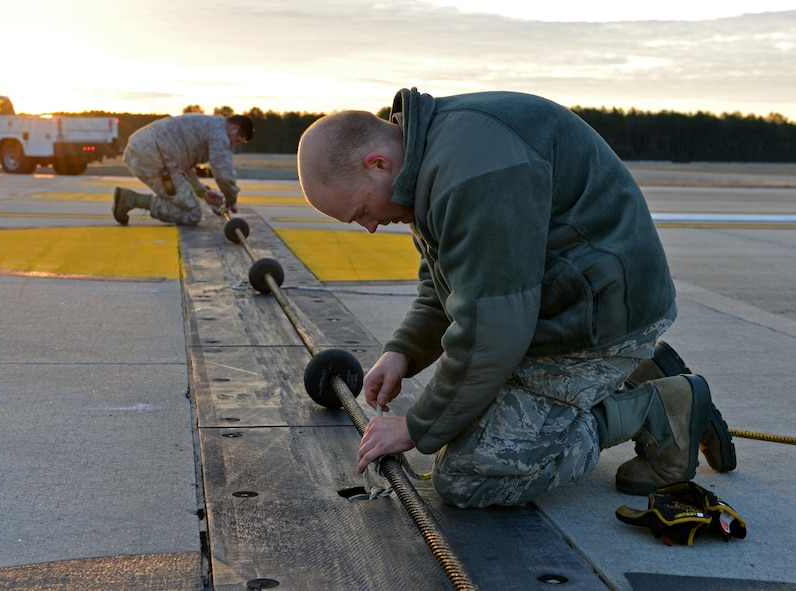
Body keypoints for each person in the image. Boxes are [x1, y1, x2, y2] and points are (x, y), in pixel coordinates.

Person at [296, 88, 737, 507]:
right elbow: (448, 286)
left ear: (376, 163)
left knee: (470, 474)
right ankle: (635, 370)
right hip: (569, 307)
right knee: (463, 417)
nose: (370, 227)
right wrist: (402, 352)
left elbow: (493, 332)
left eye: (360, 213)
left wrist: (416, 426)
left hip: (597, 323)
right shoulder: (430, 158)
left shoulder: (471, 173)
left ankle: (656, 406)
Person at [113, 113, 254, 226]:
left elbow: (184, 166)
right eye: (236, 141)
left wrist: (202, 191)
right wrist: (230, 199)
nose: (232, 145)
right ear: (234, 128)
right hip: (152, 157)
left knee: (186, 202)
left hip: (146, 152)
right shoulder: (219, 133)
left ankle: (130, 199)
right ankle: (131, 200)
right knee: (191, 214)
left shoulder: (209, 124)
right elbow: (223, 172)